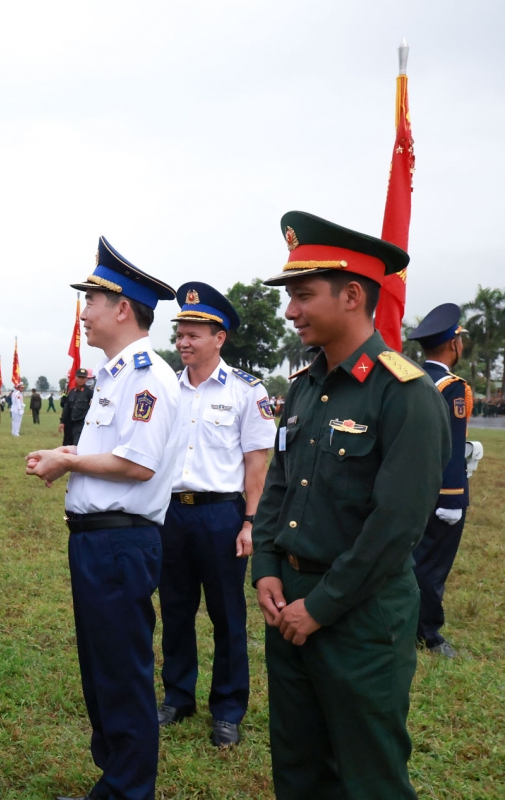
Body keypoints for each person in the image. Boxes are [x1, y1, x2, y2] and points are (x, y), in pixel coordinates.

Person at [251, 211, 449, 800]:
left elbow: (396, 527)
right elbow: (279, 486)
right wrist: (266, 566)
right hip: (288, 604)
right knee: (298, 768)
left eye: (303, 295)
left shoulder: (405, 393)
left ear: (353, 295)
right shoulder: (303, 388)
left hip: (360, 617)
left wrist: (321, 607)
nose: (291, 311)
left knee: (369, 777)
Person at [25, 235, 184, 800]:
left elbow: (137, 465)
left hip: (122, 542)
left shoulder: (147, 377)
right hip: (98, 542)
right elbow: (113, 454)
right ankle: (114, 782)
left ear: (122, 309)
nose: (84, 312)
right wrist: (68, 456)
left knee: (122, 674)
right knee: (101, 672)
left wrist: (67, 461)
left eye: (91, 300)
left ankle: (128, 790)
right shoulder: (116, 375)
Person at [157, 282, 276, 748]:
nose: (183, 342)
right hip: (171, 513)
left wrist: (250, 523)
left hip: (222, 515)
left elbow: (256, 468)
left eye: (193, 334)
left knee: (227, 615)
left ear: (219, 337)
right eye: (180, 334)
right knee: (175, 609)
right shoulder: (166, 388)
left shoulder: (246, 391)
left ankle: (227, 709)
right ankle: (177, 696)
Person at [407, 303, 472, 658]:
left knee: (411, 559)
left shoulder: (410, 378)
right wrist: (451, 496)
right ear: (453, 344)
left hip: (408, 488)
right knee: (432, 566)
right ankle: (427, 634)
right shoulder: (451, 387)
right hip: (439, 492)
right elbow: (452, 445)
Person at [60, 368, 91, 446]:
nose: (81, 379)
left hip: (82, 423)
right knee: (67, 445)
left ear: (86, 379)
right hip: (70, 423)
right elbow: (66, 408)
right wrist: (62, 422)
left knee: (77, 445)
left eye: (83, 377)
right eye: (79, 377)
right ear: (75, 378)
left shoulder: (90, 392)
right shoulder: (72, 392)